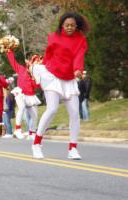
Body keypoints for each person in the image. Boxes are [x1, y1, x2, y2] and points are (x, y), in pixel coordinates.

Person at [31, 12, 89, 159]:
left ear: (77, 26)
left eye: (72, 25)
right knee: (52, 109)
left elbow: (79, 56)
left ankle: (73, 149)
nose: (69, 27)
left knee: (75, 113)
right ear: (62, 25)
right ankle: (37, 143)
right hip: (53, 77)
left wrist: (78, 70)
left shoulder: (81, 40)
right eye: (67, 25)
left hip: (69, 79)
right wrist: (43, 69)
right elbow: (48, 54)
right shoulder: (54, 37)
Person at [6, 51, 41, 140]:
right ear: (26, 61)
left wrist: (38, 79)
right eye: (29, 59)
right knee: (21, 108)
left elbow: (37, 86)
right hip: (20, 93)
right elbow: (13, 61)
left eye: (33, 60)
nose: (31, 61)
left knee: (35, 115)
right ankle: (17, 129)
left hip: (30, 95)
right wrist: (9, 51)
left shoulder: (34, 73)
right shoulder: (21, 69)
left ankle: (31, 133)